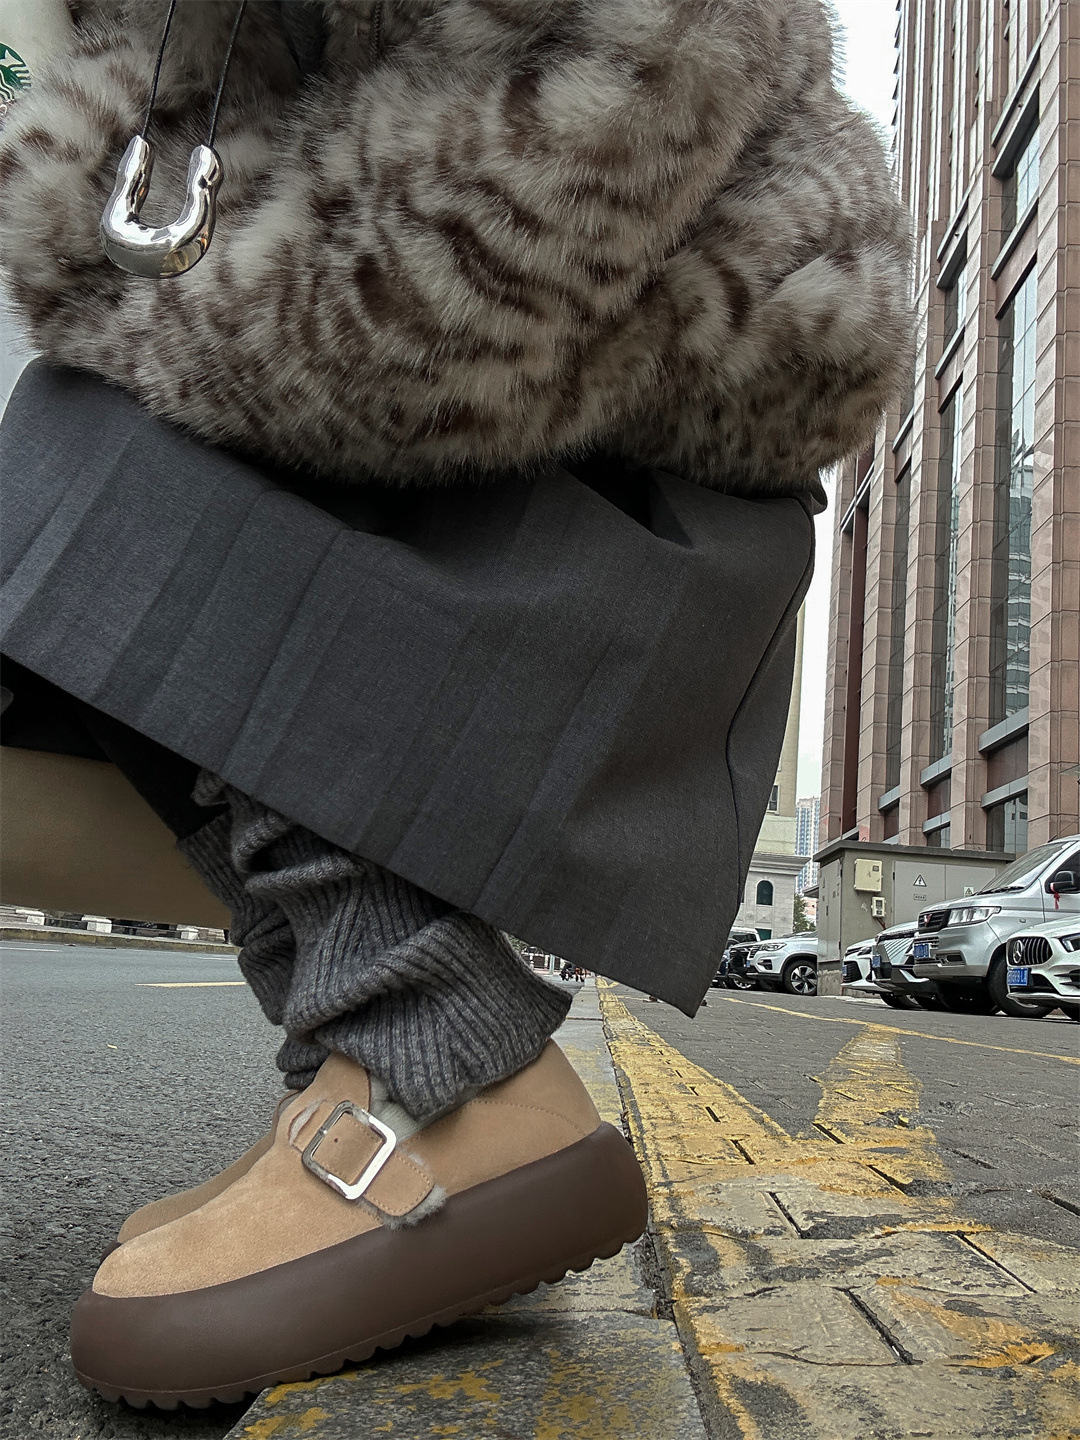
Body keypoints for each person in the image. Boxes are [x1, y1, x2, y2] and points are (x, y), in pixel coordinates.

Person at [0, 0, 911, 1407]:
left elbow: (501, 244)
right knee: (86, 441)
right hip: (490, 385)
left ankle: (439, 1057)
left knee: (99, 433)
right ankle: (358, 1033)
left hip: (628, 403)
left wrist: (155, 312)